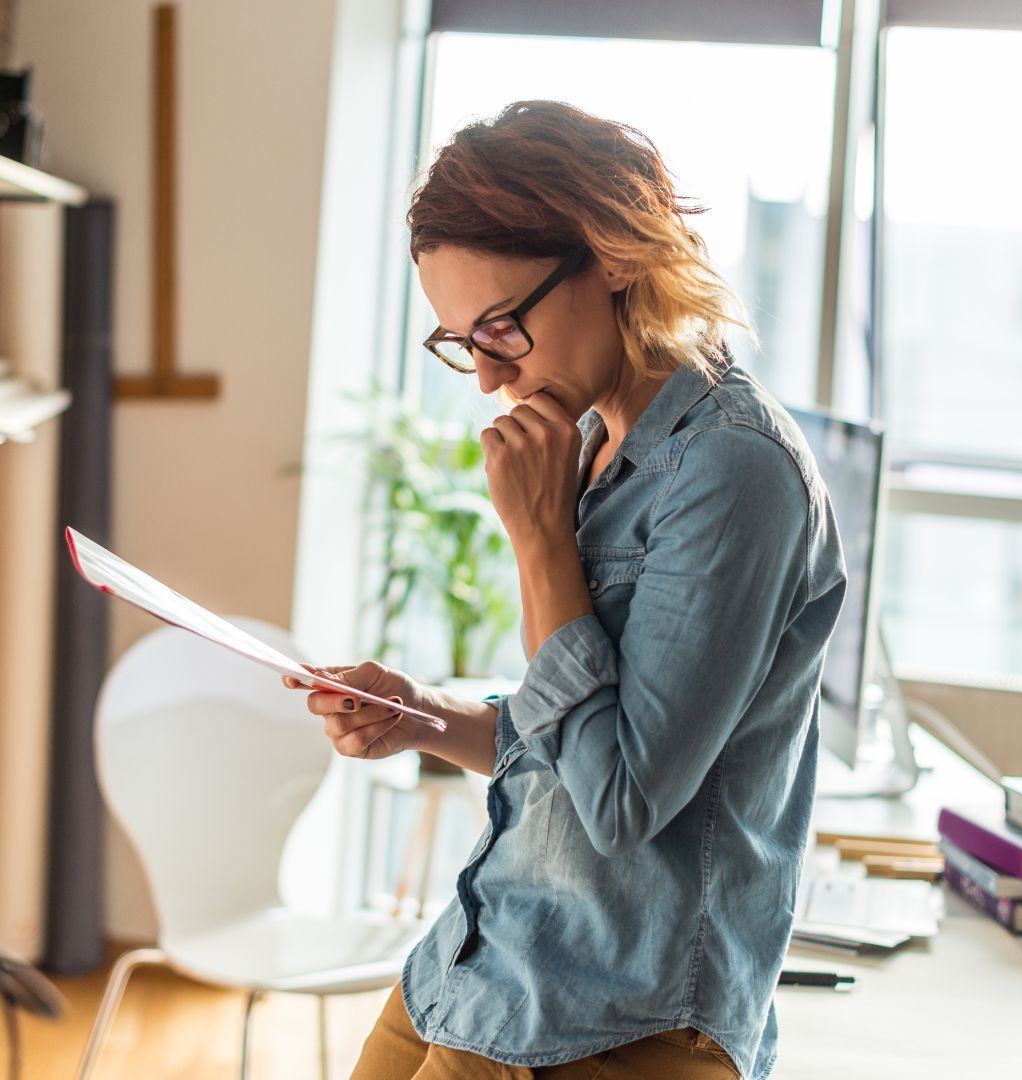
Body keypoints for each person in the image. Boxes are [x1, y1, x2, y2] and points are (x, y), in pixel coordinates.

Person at [285, 100, 846, 1080]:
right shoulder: (594, 439)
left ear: (614, 252)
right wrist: (424, 715)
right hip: (484, 960)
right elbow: (573, 737)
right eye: (462, 341)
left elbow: (620, 800)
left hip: (611, 1013)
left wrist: (540, 537)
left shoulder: (731, 472)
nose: (490, 378)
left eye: (503, 327)